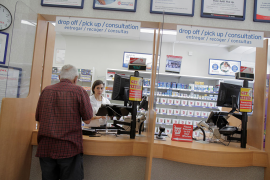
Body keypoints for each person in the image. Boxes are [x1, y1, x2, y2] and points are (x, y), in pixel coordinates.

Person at [35, 64, 93, 180]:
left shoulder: (46, 91)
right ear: (76, 78)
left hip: (46, 147)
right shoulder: (79, 91)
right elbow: (87, 120)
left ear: (59, 76)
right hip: (69, 148)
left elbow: (38, 119)